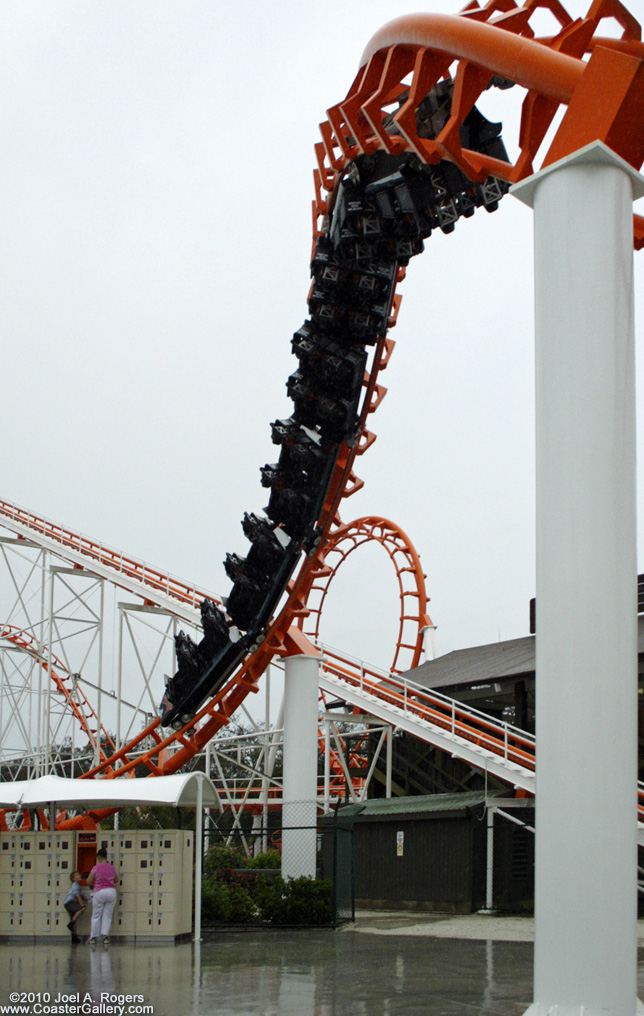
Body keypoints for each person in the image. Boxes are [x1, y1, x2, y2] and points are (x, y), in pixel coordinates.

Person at [87, 848, 119, 945]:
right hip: (111, 892)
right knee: (107, 915)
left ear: (99, 857)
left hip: (99, 891)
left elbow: (88, 880)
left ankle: (93, 938)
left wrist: (91, 886)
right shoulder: (111, 867)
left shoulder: (96, 868)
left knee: (96, 915)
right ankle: (105, 937)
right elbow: (116, 880)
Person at [63, 870, 86, 944]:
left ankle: (74, 937)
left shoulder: (77, 885)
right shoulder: (75, 885)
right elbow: (77, 895)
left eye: (79, 874)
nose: (79, 875)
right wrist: (82, 905)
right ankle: (71, 924)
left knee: (74, 918)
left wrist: (84, 897)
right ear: (73, 878)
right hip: (70, 903)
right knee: (81, 909)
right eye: (77, 875)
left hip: (68, 903)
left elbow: (79, 894)